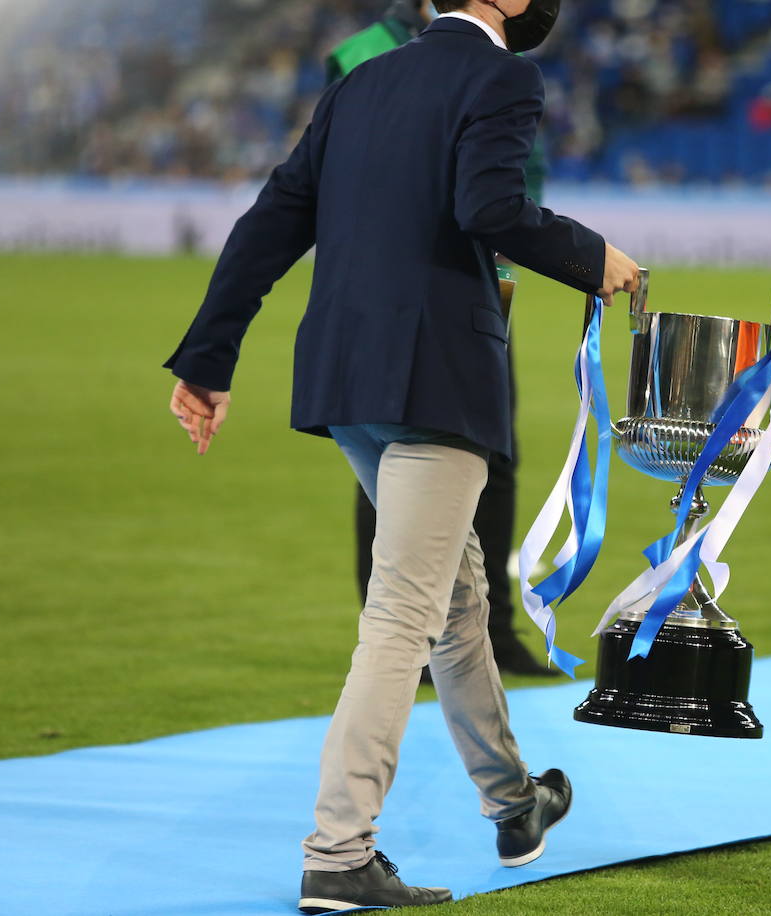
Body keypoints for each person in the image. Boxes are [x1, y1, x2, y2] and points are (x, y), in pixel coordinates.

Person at [164, 0, 642, 910]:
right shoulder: (503, 75)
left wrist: (208, 357)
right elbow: (490, 206)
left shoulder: (365, 77)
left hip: (346, 380)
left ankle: (514, 803)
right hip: (437, 382)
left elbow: (272, 219)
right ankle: (340, 852)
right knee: (402, 617)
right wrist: (594, 256)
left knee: (454, 597)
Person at [327, 0, 558, 678]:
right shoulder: (367, 53)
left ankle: (491, 629)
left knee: (494, 452)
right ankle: (398, 631)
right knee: (397, 456)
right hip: (406, 288)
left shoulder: (497, 52)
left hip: (486, 279)